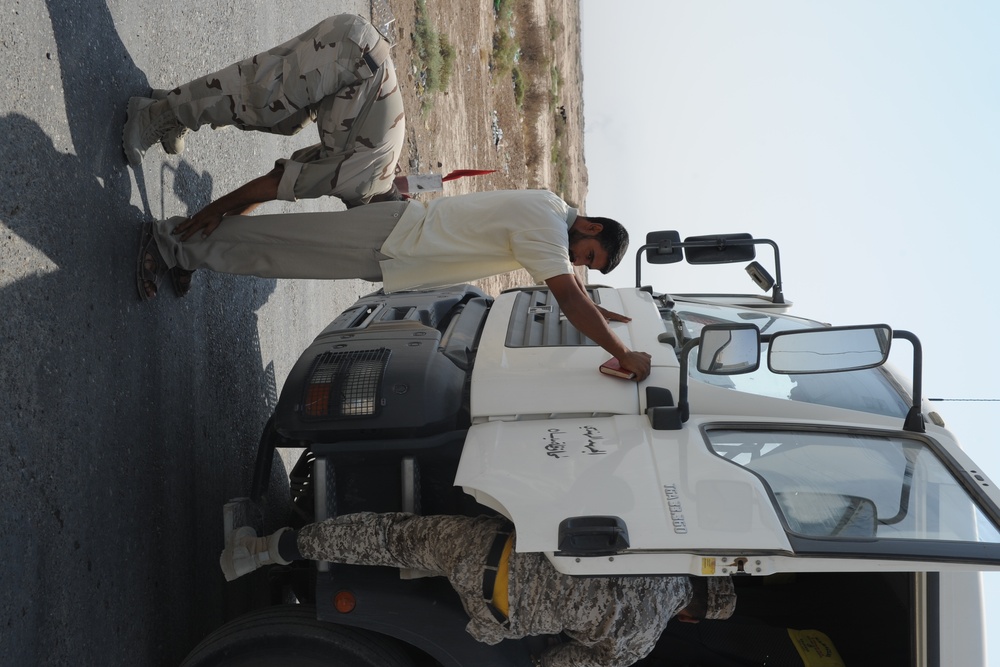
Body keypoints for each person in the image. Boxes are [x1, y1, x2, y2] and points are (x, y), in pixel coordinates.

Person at [137, 188, 654, 380]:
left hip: (397, 248)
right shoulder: (547, 226)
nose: (574, 261)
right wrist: (621, 351)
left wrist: (591, 308)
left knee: (277, 253)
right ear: (589, 227)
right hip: (394, 239)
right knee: (279, 242)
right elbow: (565, 295)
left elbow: (567, 291)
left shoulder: (549, 213)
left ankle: (193, 253)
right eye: (585, 255)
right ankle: (169, 241)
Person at [220, 512, 738, 667]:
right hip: (494, 608)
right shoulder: (639, 645)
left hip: (491, 549)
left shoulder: (656, 542)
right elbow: (554, 666)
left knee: (390, 537)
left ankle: (264, 550)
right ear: (690, 618)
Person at [124, 14, 405, 294]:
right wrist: (211, 213)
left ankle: (178, 109)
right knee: (259, 99)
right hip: (349, 52)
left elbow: (277, 181)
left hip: (353, 66)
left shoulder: (370, 176)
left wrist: (205, 229)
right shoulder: (359, 180)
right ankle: (152, 116)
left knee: (281, 119)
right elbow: (276, 185)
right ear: (371, 214)